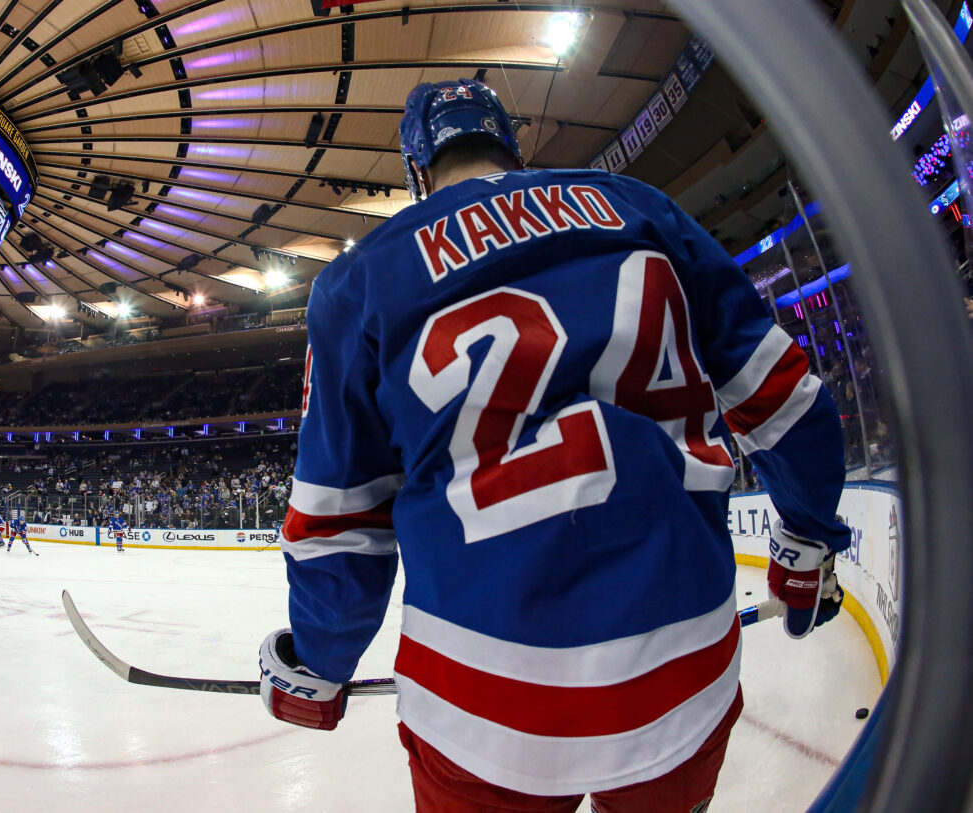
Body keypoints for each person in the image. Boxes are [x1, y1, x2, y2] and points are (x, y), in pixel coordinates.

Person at [257, 79, 851, 813]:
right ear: (511, 144)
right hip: (684, 663)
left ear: (418, 173)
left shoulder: (357, 281)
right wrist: (807, 541)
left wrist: (318, 663)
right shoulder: (638, 205)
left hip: (482, 699)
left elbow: (340, 521)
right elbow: (785, 401)